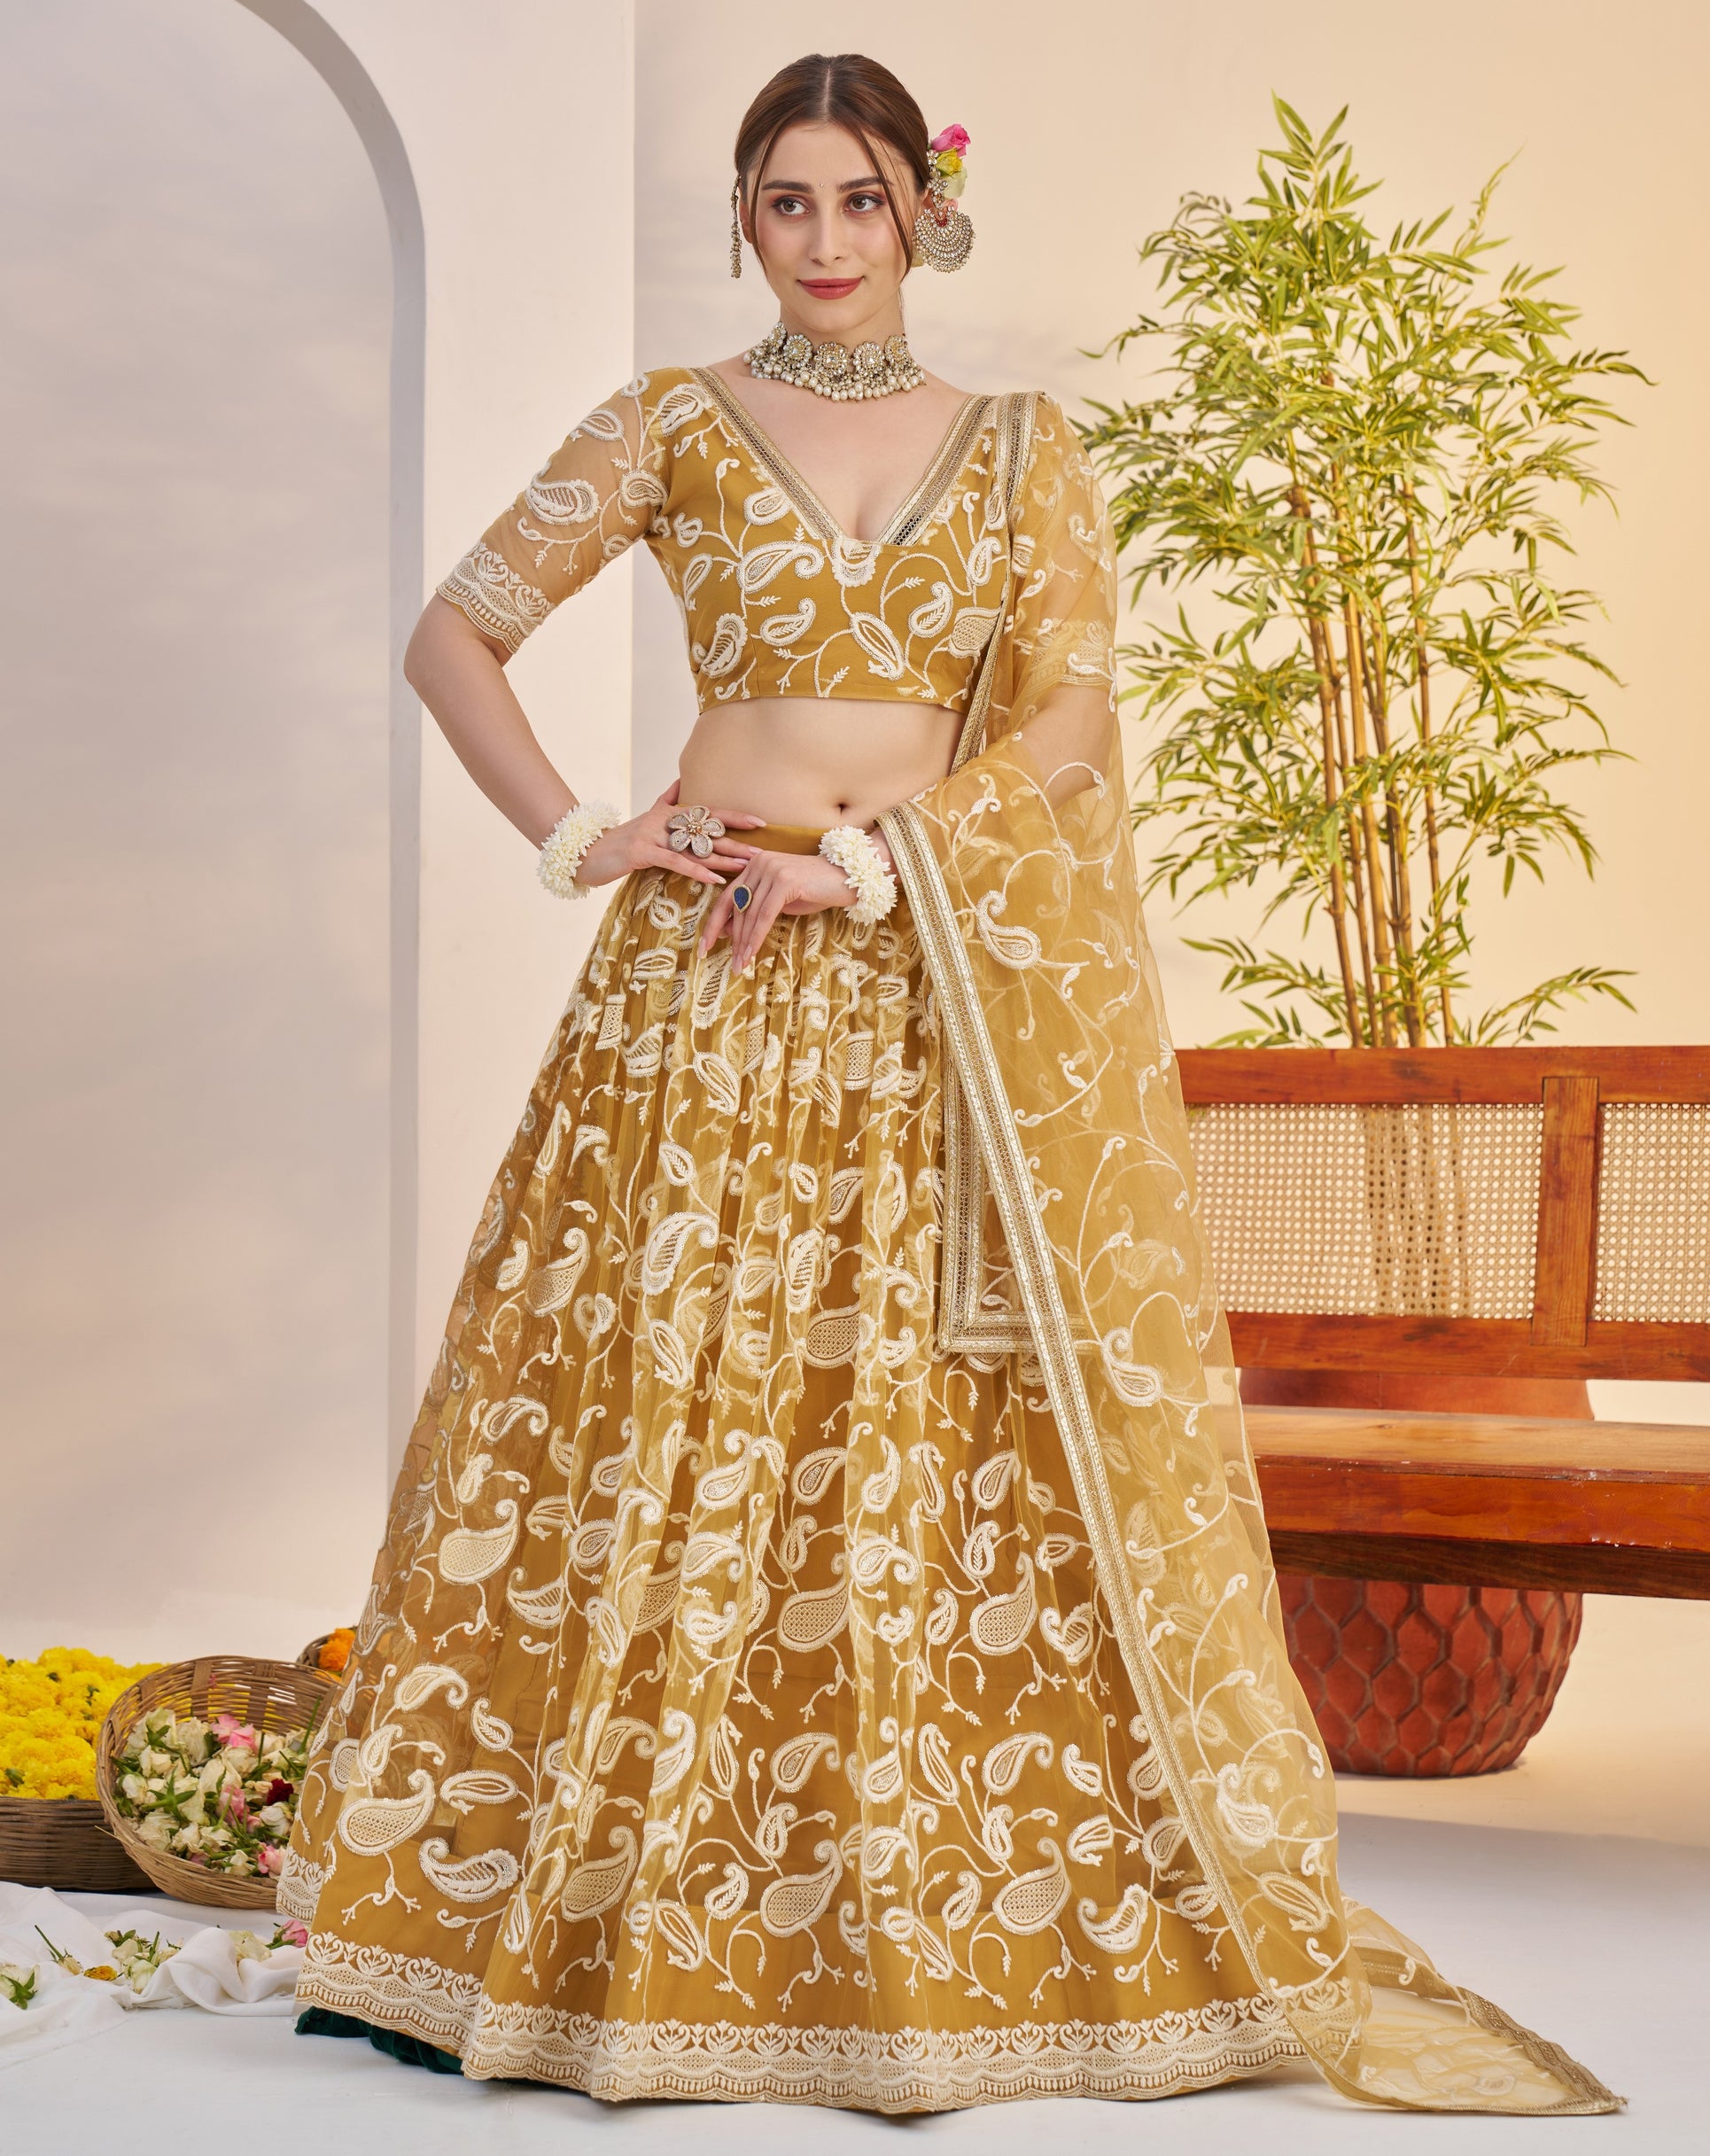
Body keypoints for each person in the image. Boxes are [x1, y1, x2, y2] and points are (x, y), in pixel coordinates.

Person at [279, 52, 1617, 2118]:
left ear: (923, 209)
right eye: (787, 201)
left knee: (913, 1416)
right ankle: (545, 1909)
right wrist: (585, 835)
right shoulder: (665, 423)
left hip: (920, 982)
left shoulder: (1019, 448)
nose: (823, 239)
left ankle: (897, 1900)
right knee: (655, 1411)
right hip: (701, 978)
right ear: (747, 220)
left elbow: (1072, 720)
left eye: (859, 198)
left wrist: (872, 864)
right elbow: (456, 635)